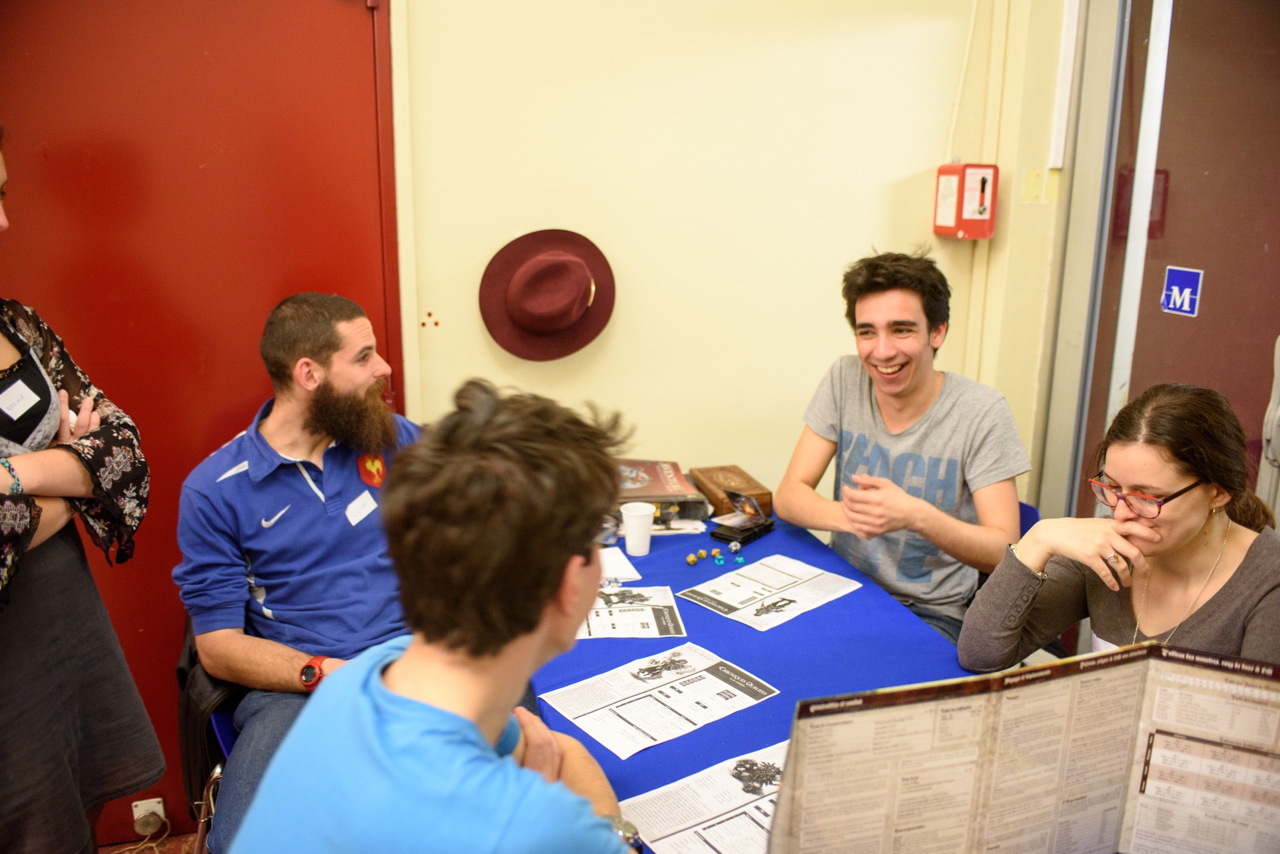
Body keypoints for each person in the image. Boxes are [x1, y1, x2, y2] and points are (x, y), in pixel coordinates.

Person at [232, 379, 640, 853]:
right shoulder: (534, 828)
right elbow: (559, 776)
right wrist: (612, 832)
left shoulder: (369, 675)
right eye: (599, 537)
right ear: (569, 584)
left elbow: (561, 750)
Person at [172, 292, 419, 853]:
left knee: (525, 797)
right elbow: (218, 647)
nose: (383, 368)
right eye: (364, 357)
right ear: (309, 374)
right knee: (247, 842)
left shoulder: (392, 438)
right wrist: (323, 672)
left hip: (416, 660)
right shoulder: (215, 490)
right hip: (299, 687)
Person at [0, 126, 164, 854]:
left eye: (4, 194)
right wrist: (76, 472)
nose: (5, 220)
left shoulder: (18, 324)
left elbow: (124, 452)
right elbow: (100, 469)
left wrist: (14, 477)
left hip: (62, 625)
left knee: (72, 818)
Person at [775, 250, 1030, 642]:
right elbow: (789, 496)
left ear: (937, 332)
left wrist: (915, 516)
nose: (882, 351)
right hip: (843, 587)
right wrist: (860, 517)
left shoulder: (982, 411)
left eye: (901, 330)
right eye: (867, 332)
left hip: (930, 612)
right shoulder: (844, 377)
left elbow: (1006, 550)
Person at [959, 383, 1280, 671]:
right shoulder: (1106, 549)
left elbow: (1260, 716)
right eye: (1112, 488)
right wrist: (1037, 540)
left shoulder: (1267, 581)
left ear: (1218, 492)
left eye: (1148, 497)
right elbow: (980, 654)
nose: (1122, 513)